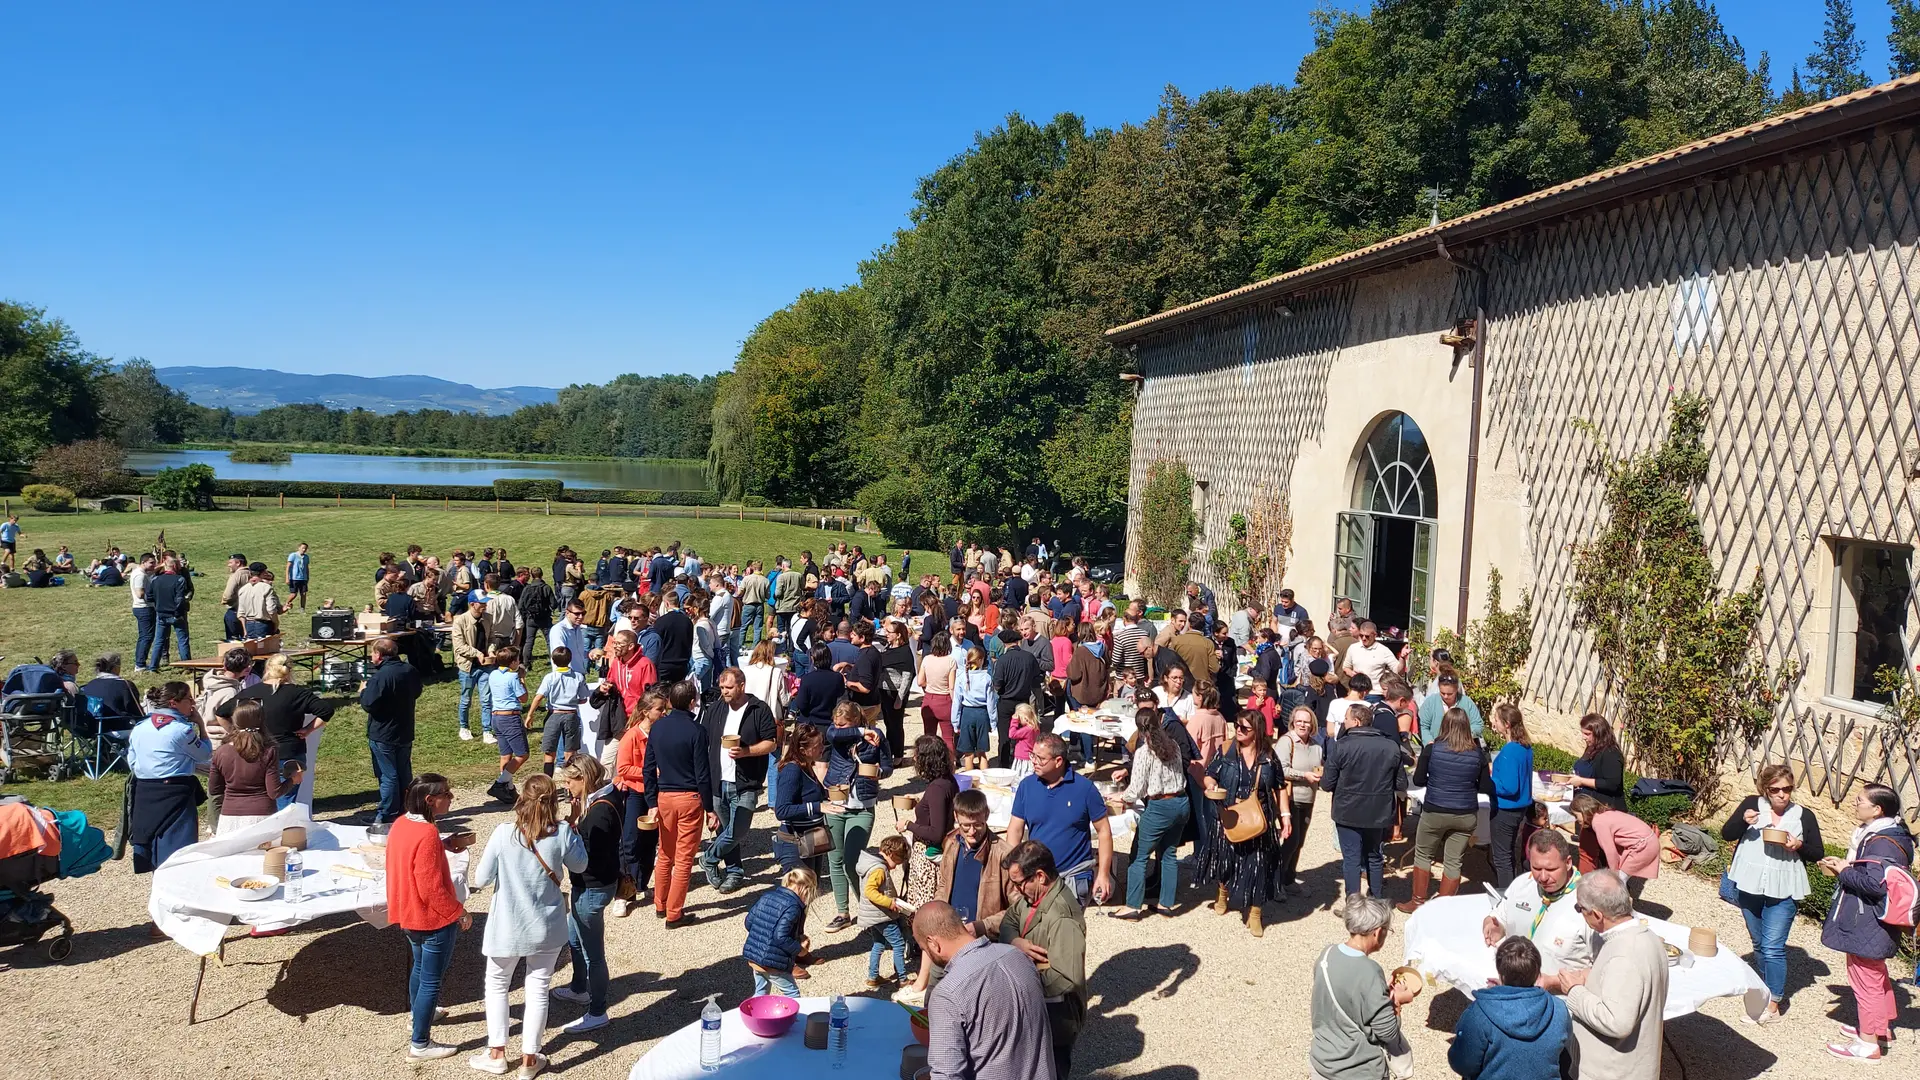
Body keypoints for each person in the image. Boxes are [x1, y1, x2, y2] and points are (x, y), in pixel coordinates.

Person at [468, 774, 587, 1078]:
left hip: (507, 925)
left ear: (522, 798)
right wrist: (573, 827)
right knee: (538, 989)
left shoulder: (504, 833)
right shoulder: (561, 833)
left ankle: (497, 1052)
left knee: (496, 985)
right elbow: (580, 865)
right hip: (546, 926)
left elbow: (481, 879)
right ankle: (529, 1060)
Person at [1818, 783, 1915, 1063]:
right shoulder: (1887, 835)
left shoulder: (1882, 842)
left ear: (1877, 809)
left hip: (1868, 921)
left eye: (1859, 800)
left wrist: (1843, 871)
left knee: (1865, 980)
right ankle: (1880, 1028)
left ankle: (1867, 1043)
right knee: (1875, 975)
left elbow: (1875, 885)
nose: (1854, 804)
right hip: (1875, 921)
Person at [1718, 763, 1823, 1021]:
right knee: (1758, 943)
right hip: (1750, 883)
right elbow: (1726, 834)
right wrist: (1743, 822)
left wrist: (1798, 845)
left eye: (1787, 789)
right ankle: (1765, 987)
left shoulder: (1803, 815)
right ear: (1765, 789)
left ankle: (1773, 1004)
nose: (1782, 795)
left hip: (1783, 887)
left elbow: (1817, 852)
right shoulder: (1752, 804)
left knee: (1773, 947)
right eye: (1775, 789)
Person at [915, 901, 1058, 1080]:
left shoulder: (947, 993)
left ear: (933, 943)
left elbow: (947, 1075)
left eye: (924, 949)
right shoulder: (1017, 955)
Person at [387, 775, 475, 1060]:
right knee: (431, 981)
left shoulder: (403, 824)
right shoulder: (426, 834)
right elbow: (431, 887)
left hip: (409, 914)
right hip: (432, 919)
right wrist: (458, 911)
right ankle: (420, 1042)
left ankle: (420, 1014)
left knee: (419, 969)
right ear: (429, 800)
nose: (451, 798)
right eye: (446, 794)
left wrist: (443, 845)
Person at [1559, 870, 1668, 1080]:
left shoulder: (1623, 954)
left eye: (1579, 908)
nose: (1579, 913)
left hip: (1610, 1072)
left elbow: (1617, 1022)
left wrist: (1574, 992)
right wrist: (1593, 978)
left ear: (1597, 915)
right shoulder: (1649, 938)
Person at [999, 840, 1087, 1078]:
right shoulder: (1031, 897)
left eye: (1018, 883)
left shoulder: (1062, 917)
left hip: (1056, 1016)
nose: (1015, 890)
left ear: (1039, 876)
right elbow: (1009, 920)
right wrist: (1014, 941)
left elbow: (1069, 978)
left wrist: (1020, 981)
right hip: (1037, 1007)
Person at [1200, 712, 1290, 935]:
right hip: (1229, 814)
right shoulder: (1225, 750)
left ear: (1257, 731)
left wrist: (1285, 817)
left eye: (1244, 728)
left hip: (1260, 817)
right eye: (1237, 725)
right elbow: (1209, 774)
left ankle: (1256, 912)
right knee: (1226, 859)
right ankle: (1222, 892)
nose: (1238, 730)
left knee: (1259, 864)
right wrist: (1211, 786)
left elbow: (1280, 786)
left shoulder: (1269, 756)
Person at [1309, 894, 1414, 1080]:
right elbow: (1388, 1033)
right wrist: (1397, 1002)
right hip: (1356, 1069)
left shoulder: (1326, 955)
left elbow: (1344, 996)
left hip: (1322, 1061)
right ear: (1377, 932)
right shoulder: (1370, 972)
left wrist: (1381, 995)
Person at [697, 666, 780, 893]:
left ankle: (709, 857)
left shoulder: (758, 709)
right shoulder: (715, 709)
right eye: (722, 687)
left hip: (746, 781)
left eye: (729, 687)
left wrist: (746, 751)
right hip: (718, 780)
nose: (724, 692)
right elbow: (702, 740)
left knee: (739, 829)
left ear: (742, 686)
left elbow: (771, 743)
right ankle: (734, 871)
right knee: (725, 829)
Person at [552, 756, 620, 1033]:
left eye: (570, 781)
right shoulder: (602, 798)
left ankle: (597, 1010)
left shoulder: (599, 813)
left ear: (584, 778)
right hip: (588, 885)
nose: (567, 787)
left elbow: (587, 857)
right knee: (574, 939)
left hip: (593, 887)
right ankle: (579, 987)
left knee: (594, 955)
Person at [1006, 734, 1114, 905]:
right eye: (1033, 756)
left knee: (1067, 930)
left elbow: (1104, 831)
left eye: (1040, 758)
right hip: (1036, 878)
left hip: (1073, 877)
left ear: (1058, 761)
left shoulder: (1085, 789)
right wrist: (1012, 869)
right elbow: (1015, 829)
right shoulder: (1026, 786)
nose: (1034, 761)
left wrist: (1103, 874)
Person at [1401, 707, 1491, 912]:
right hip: (1466, 812)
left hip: (1435, 810)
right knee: (1454, 861)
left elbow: (1418, 779)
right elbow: (1485, 786)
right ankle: (1443, 909)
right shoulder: (1477, 753)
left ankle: (1417, 901)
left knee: (1423, 854)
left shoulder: (1432, 750)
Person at [643, 679, 716, 927]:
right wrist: (709, 807)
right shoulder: (697, 731)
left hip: (664, 797)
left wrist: (651, 800)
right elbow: (702, 773)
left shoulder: (657, 728)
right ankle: (675, 913)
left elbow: (648, 768)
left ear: (670, 701)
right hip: (689, 798)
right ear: (692, 702)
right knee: (684, 858)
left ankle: (660, 903)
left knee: (665, 853)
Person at [1447, 936, 1570, 1080]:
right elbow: (1561, 1049)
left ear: (1501, 972)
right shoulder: (1558, 1009)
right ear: (1537, 973)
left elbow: (1462, 1063)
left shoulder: (1479, 1014)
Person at [220, 653, 332, 809]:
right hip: (289, 753)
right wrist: (308, 730)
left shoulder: (251, 692)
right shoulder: (298, 693)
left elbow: (221, 713)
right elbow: (326, 710)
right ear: (289, 670)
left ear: (267, 669)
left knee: (259, 800)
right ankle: (282, 831)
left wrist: (237, 733)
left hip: (257, 752)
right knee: (285, 803)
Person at [1481, 829, 1594, 983]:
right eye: (1536, 868)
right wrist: (1494, 926)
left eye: (1551, 869)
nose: (1543, 877)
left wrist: (1553, 982)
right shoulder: (1522, 884)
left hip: (1559, 1000)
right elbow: (1498, 915)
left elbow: (1605, 968)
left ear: (1568, 863)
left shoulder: (1591, 903)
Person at [1112, 707, 1190, 919]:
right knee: (1169, 853)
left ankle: (1133, 905)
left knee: (1139, 856)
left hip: (1160, 805)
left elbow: (1136, 788)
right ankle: (1166, 904)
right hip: (1181, 802)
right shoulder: (1172, 745)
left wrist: (1121, 798)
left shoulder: (1144, 752)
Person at [1321, 701, 1404, 900]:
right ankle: (1376, 900)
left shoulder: (1342, 747)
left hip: (1348, 811)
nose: (1344, 722)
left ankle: (1354, 904)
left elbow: (1326, 783)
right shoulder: (1391, 746)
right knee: (1374, 857)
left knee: (1351, 859)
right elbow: (1400, 783)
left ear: (1356, 722)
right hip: (1378, 812)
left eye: (1346, 719)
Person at [127, 683, 212, 876]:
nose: (192, 703)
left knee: (150, 836)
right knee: (176, 843)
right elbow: (205, 755)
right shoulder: (180, 730)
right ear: (174, 703)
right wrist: (200, 724)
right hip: (175, 791)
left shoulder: (140, 727)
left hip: (145, 789)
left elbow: (132, 761)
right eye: (189, 699)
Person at [822, 700, 889, 932]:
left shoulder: (877, 736)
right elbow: (833, 735)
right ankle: (843, 912)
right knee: (835, 860)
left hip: (862, 805)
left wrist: (877, 772)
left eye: (844, 724)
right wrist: (862, 731)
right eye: (836, 724)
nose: (838, 728)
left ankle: (868, 907)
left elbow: (888, 766)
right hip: (837, 803)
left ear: (855, 719)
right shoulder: (837, 734)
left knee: (852, 861)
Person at [613, 689, 668, 915]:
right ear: (646, 712)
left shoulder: (661, 732)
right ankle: (623, 891)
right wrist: (650, 772)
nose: (664, 713)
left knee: (650, 839)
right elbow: (623, 768)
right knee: (629, 840)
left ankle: (642, 881)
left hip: (655, 792)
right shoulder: (632, 736)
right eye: (660, 709)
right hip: (636, 793)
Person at [360, 637, 423, 825]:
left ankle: (386, 814)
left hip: (383, 732)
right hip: (404, 729)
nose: (372, 656)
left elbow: (368, 704)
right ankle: (406, 809)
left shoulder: (380, 677)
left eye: (373, 652)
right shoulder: (409, 670)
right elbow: (417, 692)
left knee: (388, 775)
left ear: (379, 655)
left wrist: (363, 690)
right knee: (404, 772)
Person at [208, 700, 283, 835]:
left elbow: (214, 789)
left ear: (234, 721)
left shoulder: (221, 752)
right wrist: (294, 779)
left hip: (229, 816)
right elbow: (274, 792)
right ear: (262, 721)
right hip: (262, 814)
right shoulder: (269, 751)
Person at [743, 866, 819, 998]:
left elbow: (748, 923)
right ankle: (797, 1018)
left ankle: (752, 1016)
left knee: (761, 992)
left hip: (754, 956)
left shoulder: (767, 895)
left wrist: (764, 935)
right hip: (773, 963)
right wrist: (800, 950)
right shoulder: (793, 907)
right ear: (804, 888)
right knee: (793, 994)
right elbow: (781, 937)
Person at [1568, 791, 1659, 897]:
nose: (1576, 819)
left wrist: (1614, 874)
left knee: (1618, 882)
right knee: (1619, 880)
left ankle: (1621, 908)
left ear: (1583, 810)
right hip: (1648, 840)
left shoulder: (1598, 823)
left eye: (1576, 815)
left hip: (1642, 846)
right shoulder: (1604, 813)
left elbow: (1610, 852)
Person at [1275, 705, 1325, 894]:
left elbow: (1319, 767)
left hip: (1309, 798)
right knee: (1291, 841)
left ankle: (1288, 879)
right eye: (1299, 721)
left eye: (1306, 721)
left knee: (1300, 841)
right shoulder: (1287, 742)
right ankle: (1276, 880)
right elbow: (1281, 769)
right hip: (1290, 797)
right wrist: (1304, 775)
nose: (1303, 725)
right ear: (1293, 723)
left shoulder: (1315, 746)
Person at [857, 833, 917, 987]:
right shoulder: (879, 869)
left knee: (878, 943)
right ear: (890, 854)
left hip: (873, 916)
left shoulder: (871, 864)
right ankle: (902, 979)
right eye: (897, 861)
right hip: (881, 915)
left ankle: (873, 976)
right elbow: (870, 892)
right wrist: (889, 902)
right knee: (898, 944)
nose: (896, 866)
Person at [773, 722, 831, 877]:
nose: (822, 748)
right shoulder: (792, 771)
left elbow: (808, 794)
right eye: (818, 745)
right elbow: (782, 810)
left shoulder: (806, 766)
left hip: (812, 839)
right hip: (795, 843)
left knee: (811, 889)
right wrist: (817, 807)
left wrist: (830, 794)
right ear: (803, 750)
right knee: (797, 895)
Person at [1486, 702, 1534, 890]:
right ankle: (1514, 890)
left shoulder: (1509, 751)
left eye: (1496, 720)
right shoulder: (1525, 747)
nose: (1494, 723)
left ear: (1506, 724)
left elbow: (1509, 787)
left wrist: (1487, 782)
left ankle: (1506, 896)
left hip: (1505, 809)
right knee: (1509, 852)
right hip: (1519, 808)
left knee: (1502, 857)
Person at [530, 646, 588, 777]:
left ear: (553, 660)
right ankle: (570, 783)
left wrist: (530, 714)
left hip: (554, 714)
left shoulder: (550, 677)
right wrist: (572, 701)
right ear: (570, 659)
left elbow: (539, 696)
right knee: (570, 752)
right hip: (571, 715)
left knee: (549, 751)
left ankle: (548, 781)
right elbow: (583, 699)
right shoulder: (578, 676)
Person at [992, 625, 1044, 768]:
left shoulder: (1002, 660)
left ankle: (1003, 765)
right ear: (1018, 642)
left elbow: (997, 683)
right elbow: (1037, 678)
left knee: (1004, 735)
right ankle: (1020, 763)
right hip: (1023, 702)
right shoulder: (1029, 657)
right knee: (1023, 736)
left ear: (1004, 644)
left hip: (1006, 701)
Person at [486, 647, 531, 804]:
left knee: (505, 755)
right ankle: (500, 784)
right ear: (513, 662)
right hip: (510, 718)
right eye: (517, 660)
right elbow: (524, 698)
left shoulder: (493, 674)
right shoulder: (513, 677)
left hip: (496, 717)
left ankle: (509, 789)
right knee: (522, 754)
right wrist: (522, 680)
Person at [452, 599, 494, 742]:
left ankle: (487, 730)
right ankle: (464, 727)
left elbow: (492, 638)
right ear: (472, 604)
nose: (485, 605)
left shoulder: (488, 618)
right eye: (482, 603)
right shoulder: (460, 621)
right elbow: (459, 646)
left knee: (487, 699)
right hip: (468, 667)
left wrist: (491, 650)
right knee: (466, 699)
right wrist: (477, 653)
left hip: (485, 667)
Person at [143, 554, 192, 670]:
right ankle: (188, 666)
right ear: (176, 567)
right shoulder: (179, 579)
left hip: (161, 614)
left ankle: (153, 666)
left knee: (159, 641)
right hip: (176, 614)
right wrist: (178, 613)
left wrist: (158, 603)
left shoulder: (155, 580)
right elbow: (179, 599)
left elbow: (148, 597)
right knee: (182, 640)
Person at [1568, 713, 1626, 810]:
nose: (1584, 737)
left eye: (1587, 734)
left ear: (1599, 733)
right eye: (1583, 733)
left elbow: (1611, 784)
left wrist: (1581, 781)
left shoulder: (1610, 753)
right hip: (1586, 806)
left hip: (1605, 809)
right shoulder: (1592, 748)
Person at [954, 645, 994, 772]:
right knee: (982, 753)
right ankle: (984, 781)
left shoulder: (961, 677)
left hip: (967, 713)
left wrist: (955, 722)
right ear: (981, 660)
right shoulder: (987, 678)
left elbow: (957, 701)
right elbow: (991, 702)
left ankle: (970, 784)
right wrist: (993, 721)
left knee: (968, 754)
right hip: (982, 713)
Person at [917, 632, 959, 754]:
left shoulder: (927, 659)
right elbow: (952, 687)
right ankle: (950, 764)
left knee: (929, 737)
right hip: (945, 700)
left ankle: (927, 762)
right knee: (948, 738)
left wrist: (930, 683)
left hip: (929, 699)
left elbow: (920, 682)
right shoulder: (951, 661)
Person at [1341, 621, 1400, 688]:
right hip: (1357, 690)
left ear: (1375, 635)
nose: (1363, 638)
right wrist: (1353, 674)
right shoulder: (1353, 648)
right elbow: (1346, 667)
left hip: (1374, 692)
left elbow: (1398, 670)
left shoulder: (1383, 650)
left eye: (1367, 636)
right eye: (1361, 635)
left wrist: (1402, 658)